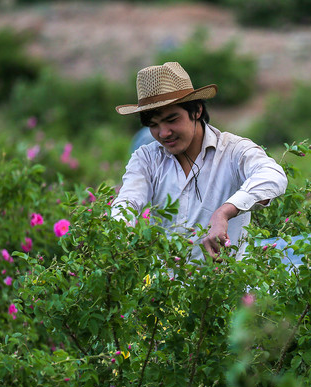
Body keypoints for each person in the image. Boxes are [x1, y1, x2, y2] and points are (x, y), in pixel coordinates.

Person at [113, 62, 288, 261]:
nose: (163, 133)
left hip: (227, 283)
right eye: (154, 125)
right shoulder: (147, 158)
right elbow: (128, 201)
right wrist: (120, 228)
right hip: (167, 287)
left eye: (172, 120)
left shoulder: (232, 151)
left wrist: (224, 212)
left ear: (196, 110)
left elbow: (273, 176)